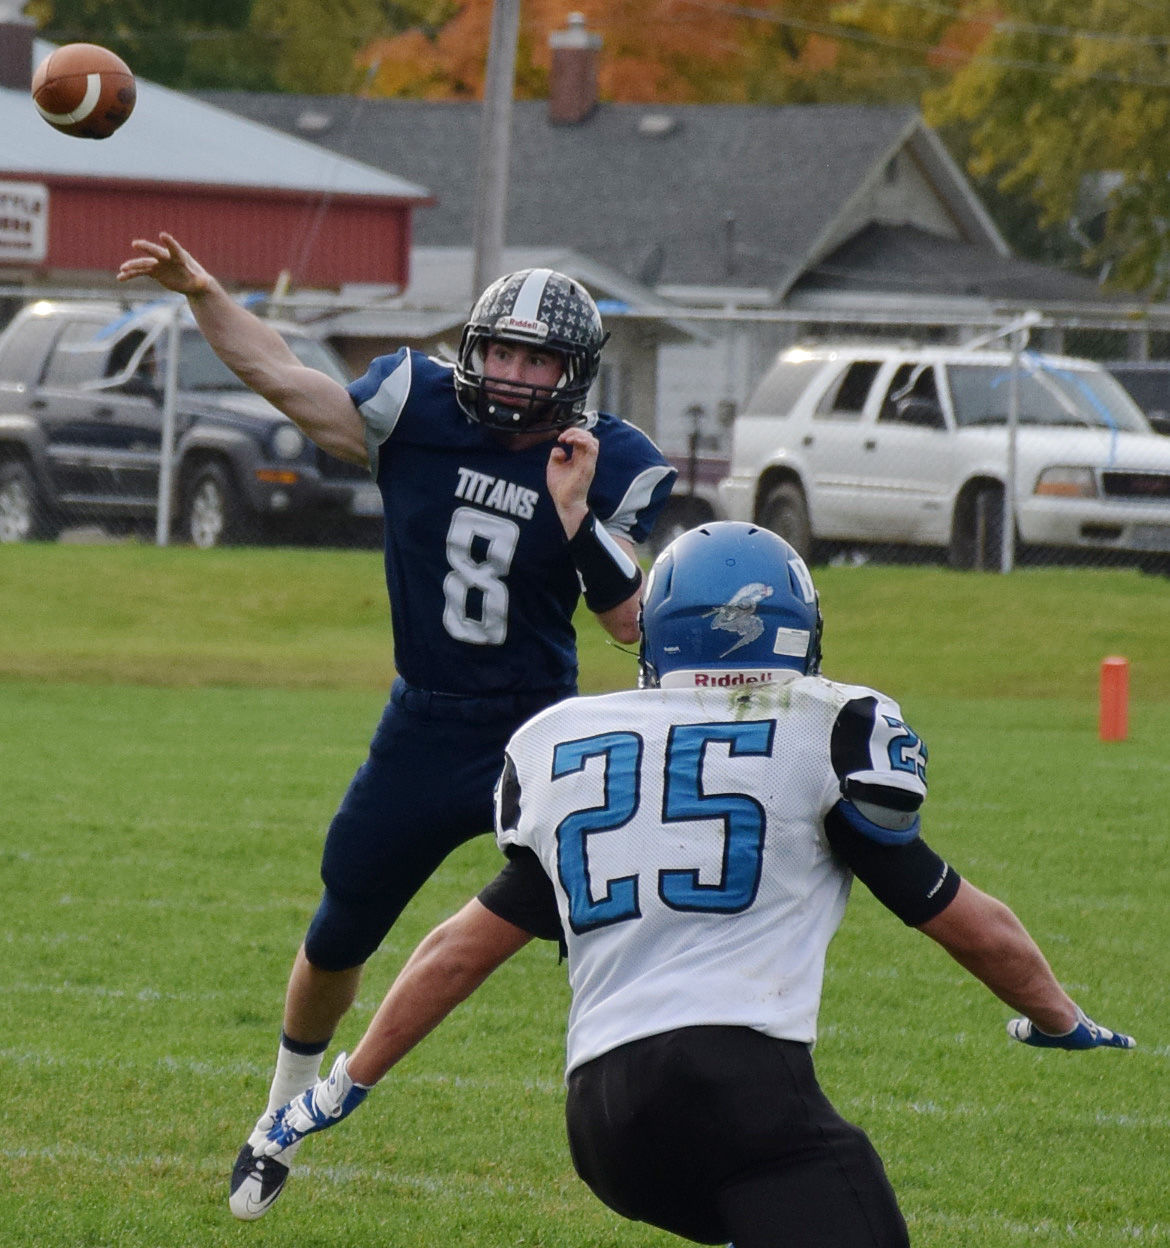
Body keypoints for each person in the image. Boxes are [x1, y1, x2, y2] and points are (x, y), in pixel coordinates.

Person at [249, 520, 1134, 1248]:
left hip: (602, 1123)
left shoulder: (570, 744)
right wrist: (1059, 1017)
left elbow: (458, 949)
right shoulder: (823, 730)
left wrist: (345, 1083)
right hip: (734, 1084)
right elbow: (964, 920)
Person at [116, 233, 677, 1220]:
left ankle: (675, 1118)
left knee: (623, 921)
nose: (511, 374)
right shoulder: (413, 407)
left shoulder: (609, 460)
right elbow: (281, 376)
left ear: (572, 374)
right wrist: (204, 290)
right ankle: (280, 1113)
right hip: (424, 722)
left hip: (536, 734)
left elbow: (631, 623)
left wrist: (576, 517)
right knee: (340, 930)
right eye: (499, 351)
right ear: (473, 349)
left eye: (535, 359)